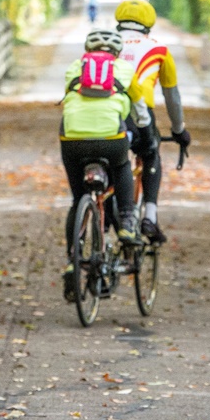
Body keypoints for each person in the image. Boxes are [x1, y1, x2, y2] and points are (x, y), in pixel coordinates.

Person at [60, 29, 142, 302]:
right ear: (116, 53)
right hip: (110, 140)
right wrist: (144, 128)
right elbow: (139, 109)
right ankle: (127, 223)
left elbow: (71, 101)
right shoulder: (124, 68)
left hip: (73, 141)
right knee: (122, 167)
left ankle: (73, 262)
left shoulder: (75, 67)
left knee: (78, 198)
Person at [112, 0, 191, 243]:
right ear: (147, 26)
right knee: (150, 153)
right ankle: (151, 217)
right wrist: (179, 130)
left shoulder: (106, 45)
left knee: (111, 155)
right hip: (139, 113)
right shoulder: (159, 50)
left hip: (106, 109)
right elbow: (172, 98)